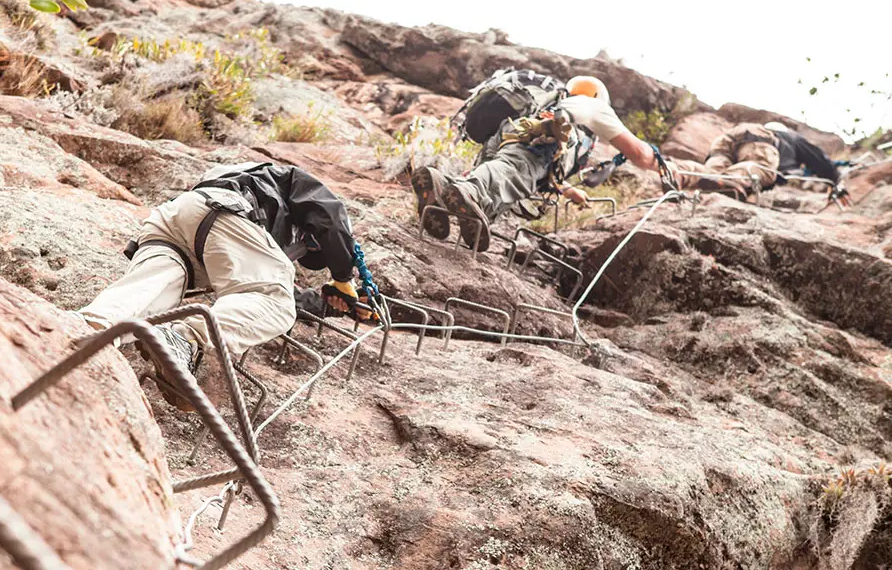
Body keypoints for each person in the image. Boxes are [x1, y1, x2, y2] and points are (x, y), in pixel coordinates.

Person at [76, 162, 370, 410]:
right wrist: (344, 277)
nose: (304, 251)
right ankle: (183, 337)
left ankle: (84, 329)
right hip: (227, 212)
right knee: (278, 306)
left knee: (146, 291)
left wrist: (324, 306)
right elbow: (330, 213)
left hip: (177, 219)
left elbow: (254, 291)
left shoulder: (244, 185)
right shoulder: (291, 182)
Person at [413, 74, 664, 251]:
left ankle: (441, 187)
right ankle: (469, 190)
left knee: (502, 185)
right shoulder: (593, 107)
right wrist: (661, 165)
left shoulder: (550, 98)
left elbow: (546, 173)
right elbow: (639, 155)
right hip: (543, 136)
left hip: (510, 131)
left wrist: (569, 191)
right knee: (514, 173)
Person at [675, 121, 849, 203]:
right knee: (758, 169)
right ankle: (732, 181)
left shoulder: (756, 132)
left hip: (726, 138)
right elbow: (819, 161)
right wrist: (835, 179)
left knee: (711, 174)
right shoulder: (790, 137)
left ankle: (679, 173)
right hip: (754, 137)